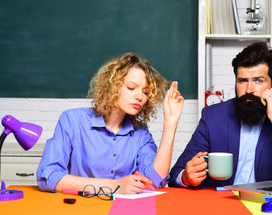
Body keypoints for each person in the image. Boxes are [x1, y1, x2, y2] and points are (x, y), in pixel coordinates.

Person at [37, 52, 184, 194]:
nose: (140, 96)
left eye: (145, 92)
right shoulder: (72, 120)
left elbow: (156, 180)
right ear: (112, 86)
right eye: (131, 88)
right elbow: (48, 176)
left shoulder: (140, 133)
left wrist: (170, 124)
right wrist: (113, 185)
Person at [169, 42, 272, 188]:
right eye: (242, 81)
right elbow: (176, 173)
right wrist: (185, 177)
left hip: (264, 205)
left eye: (258, 80)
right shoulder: (213, 116)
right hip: (221, 203)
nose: (248, 89)